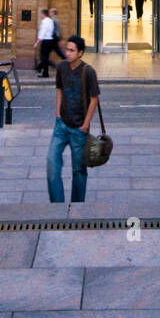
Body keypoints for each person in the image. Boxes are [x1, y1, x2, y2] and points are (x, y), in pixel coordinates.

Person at [47, 35, 99, 203]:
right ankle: (57, 205)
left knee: (79, 171)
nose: (68, 53)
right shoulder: (62, 67)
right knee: (52, 164)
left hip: (79, 130)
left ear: (80, 53)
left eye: (72, 50)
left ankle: (77, 206)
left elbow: (94, 100)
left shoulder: (88, 72)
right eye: (66, 49)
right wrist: (57, 114)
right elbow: (59, 89)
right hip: (61, 126)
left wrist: (85, 125)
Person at [35, 8, 64, 79]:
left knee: (44, 57)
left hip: (47, 41)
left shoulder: (46, 21)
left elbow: (43, 31)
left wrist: (37, 41)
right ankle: (44, 70)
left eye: (41, 14)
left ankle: (47, 69)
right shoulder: (51, 20)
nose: (40, 15)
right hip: (51, 40)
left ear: (43, 14)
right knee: (45, 57)